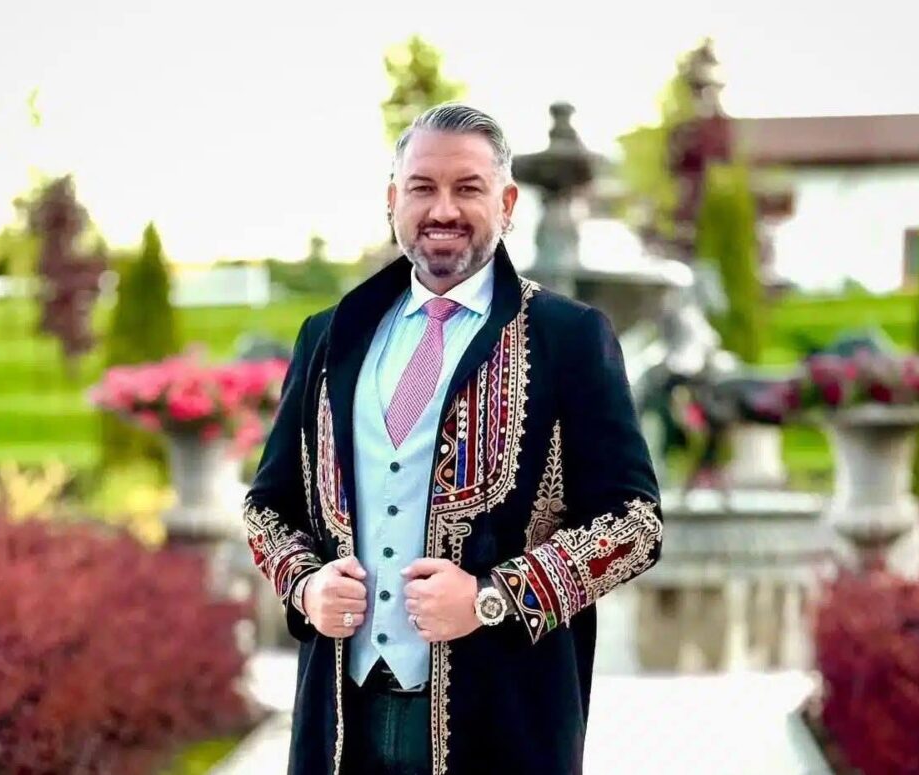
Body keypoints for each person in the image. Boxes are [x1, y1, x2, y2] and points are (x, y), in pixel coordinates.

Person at [244, 103, 663, 775]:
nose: (443, 209)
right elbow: (268, 507)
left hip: (502, 724)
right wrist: (305, 586)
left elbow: (635, 525)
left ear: (507, 203)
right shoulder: (329, 335)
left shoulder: (568, 336)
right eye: (422, 187)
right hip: (340, 723)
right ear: (393, 201)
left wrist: (491, 598)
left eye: (467, 188)